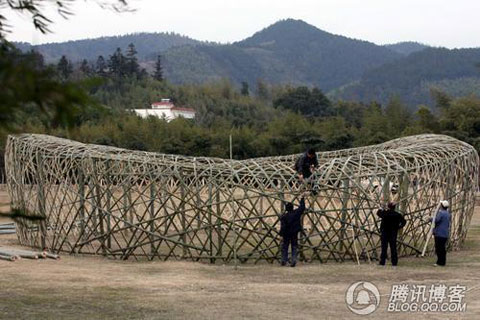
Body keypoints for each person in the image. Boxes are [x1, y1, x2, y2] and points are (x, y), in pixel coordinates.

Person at [279, 195, 307, 267]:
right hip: (294, 232)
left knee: (285, 246)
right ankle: (293, 260)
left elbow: (283, 227)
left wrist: (281, 235)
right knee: (294, 246)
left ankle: (283, 260)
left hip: (286, 233)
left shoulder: (284, 217)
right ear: (292, 208)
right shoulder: (296, 213)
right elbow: (302, 208)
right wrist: (302, 199)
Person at [377, 202, 406, 266]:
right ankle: (394, 262)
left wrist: (381, 208)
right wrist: (398, 227)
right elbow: (404, 222)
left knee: (384, 247)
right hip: (393, 233)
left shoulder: (385, 213)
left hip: (385, 232)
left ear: (388, 207)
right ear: (394, 207)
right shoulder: (397, 214)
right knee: (393, 247)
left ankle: (382, 262)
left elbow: (378, 213)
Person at [433, 200, 451, 266]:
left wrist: (430, 219)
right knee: (442, 248)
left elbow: (436, 220)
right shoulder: (448, 214)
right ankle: (443, 261)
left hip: (439, 233)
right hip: (445, 234)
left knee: (439, 248)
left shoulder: (441, 213)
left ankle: (439, 262)